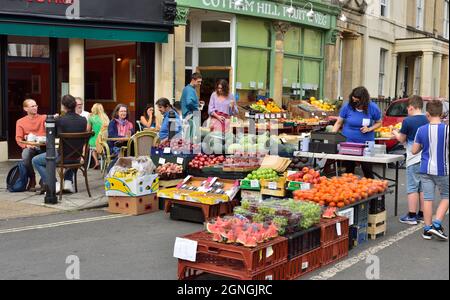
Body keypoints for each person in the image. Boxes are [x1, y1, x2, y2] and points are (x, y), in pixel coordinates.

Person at [32, 95, 88, 195]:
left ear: (63, 106)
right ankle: (67, 183)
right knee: (71, 149)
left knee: (36, 160)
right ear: (75, 105)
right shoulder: (83, 120)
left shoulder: (60, 120)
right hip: (77, 157)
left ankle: (55, 184)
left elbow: (51, 134)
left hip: (62, 157)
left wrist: (53, 119)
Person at [412, 100, 449, 241]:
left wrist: (423, 146)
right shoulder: (447, 130)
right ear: (442, 114)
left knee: (427, 198)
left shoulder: (421, 130)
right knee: (446, 196)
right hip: (443, 168)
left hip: (425, 168)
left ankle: (427, 229)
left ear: (427, 114)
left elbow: (414, 150)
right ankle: (437, 223)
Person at [392, 96, 428, 225]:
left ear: (411, 107)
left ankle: (412, 216)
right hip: (426, 158)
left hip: (413, 159)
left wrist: (395, 132)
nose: (407, 110)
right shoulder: (427, 119)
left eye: (408, 108)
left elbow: (402, 139)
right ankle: (423, 214)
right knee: (423, 188)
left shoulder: (408, 121)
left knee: (412, 187)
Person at [332, 86, 382, 178]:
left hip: (366, 144)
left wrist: (369, 129)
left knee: (367, 170)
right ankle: (348, 191)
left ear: (363, 100)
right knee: (349, 170)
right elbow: (338, 123)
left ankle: (372, 189)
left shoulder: (373, 108)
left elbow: (379, 123)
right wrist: (331, 137)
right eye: (353, 100)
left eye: (357, 101)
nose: (354, 102)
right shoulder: (347, 107)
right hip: (349, 143)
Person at [15, 99, 47, 191]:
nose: (35, 108)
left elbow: (54, 120)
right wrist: (26, 146)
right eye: (32, 106)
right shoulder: (20, 121)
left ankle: (43, 180)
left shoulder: (43, 117)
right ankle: (32, 178)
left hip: (43, 146)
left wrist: (55, 117)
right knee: (25, 155)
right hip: (30, 146)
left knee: (51, 153)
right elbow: (18, 138)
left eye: (36, 105)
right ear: (25, 109)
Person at [180, 72, 202, 142]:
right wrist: (197, 107)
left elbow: (186, 101)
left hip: (188, 116)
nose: (200, 84)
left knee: (189, 138)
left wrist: (197, 102)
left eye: (200, 82)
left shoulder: (188, 89)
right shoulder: (190, 89)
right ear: (193, 80)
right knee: (190, 140)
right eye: (198, 81)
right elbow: (189, 102)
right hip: (190, 116)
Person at [87, 103, 110, 169]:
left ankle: (96, 161)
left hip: (95, 140)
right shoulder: (105, 117)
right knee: (95, 142)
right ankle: (102, 158)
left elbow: (88, 130)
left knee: (89, 143)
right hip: (105, 140)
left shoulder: (91, 118)